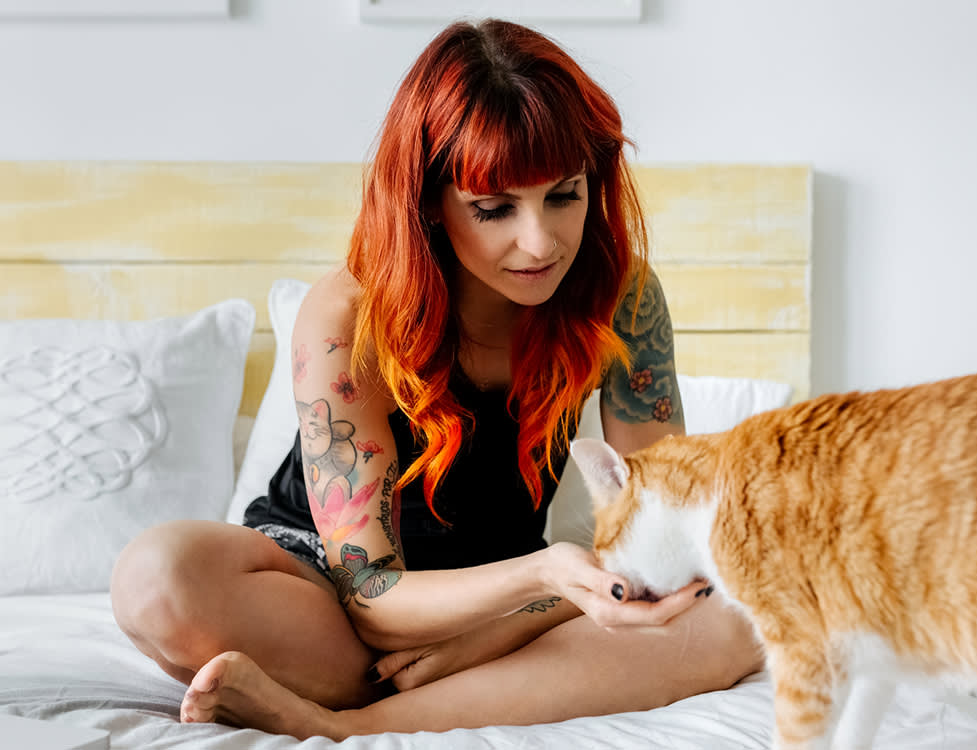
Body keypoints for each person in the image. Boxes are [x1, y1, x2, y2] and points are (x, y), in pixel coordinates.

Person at [110, 18, 761, 741]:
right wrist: (542, 578)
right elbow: (372, 596)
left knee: (737, 615)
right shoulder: (349, 315)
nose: (541, 242)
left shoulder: (621, 296)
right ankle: (424, 695)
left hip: (500, 616)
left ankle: (333, 722)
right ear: (428, 202)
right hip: (330, 601)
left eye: (564, 195)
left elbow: (662, 537)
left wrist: (494, 632)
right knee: (155, 577)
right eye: (494, 208)